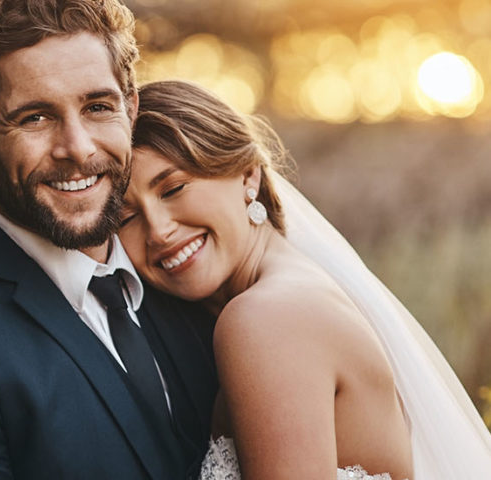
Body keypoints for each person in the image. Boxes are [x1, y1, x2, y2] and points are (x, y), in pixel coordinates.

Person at [0, 2, 218, 479]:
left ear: (130, 110)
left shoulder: (189, 280)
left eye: (97, 107)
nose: (77, 148)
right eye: (34, 118)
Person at [118, 79, 491, 479]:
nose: (158, 231)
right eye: (125, 216)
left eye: (173, 188)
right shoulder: (296, 290)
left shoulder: (266, 318)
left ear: (248, 176)